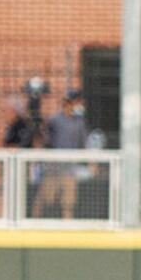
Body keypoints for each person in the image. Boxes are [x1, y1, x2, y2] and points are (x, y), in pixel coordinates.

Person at [35, 92, 86, 220]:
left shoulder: (80, 122)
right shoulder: (54, 120)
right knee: (44, 198)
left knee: (68, 201)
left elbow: (83, 143)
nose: (79, 106)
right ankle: (32, 223)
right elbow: (45, 141)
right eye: (77, 103)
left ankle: (68, 227)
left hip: (70, 168)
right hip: (54, 167)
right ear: (69, 103)